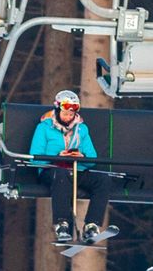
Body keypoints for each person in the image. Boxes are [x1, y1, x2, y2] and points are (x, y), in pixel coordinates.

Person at [28, 89, 114, 245]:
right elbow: (36, 158)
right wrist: (58, 157)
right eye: (65, 113)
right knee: (62, 175)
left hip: (76, 169)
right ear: (57, 109)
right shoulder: (44, 128)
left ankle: (92, 224)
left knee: (103, 180)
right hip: (52, 171)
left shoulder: (81, 129)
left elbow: (92, 158)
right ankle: (62, 224)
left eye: (71, 114)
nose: (68, 117)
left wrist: (81, 157)